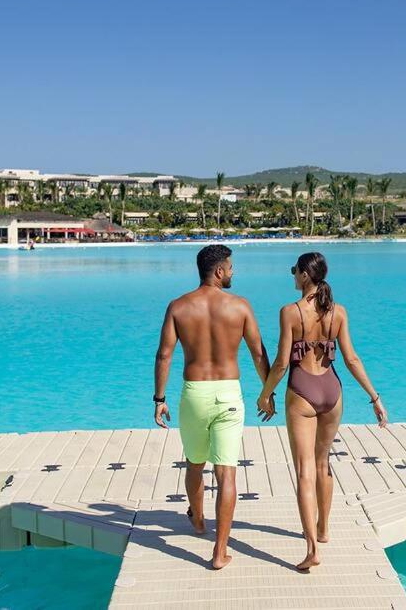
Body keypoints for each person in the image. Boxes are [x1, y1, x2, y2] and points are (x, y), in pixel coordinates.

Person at [257, 251, 388, 571]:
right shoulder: (338, 312)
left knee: (304, 471)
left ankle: (312, 549)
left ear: (305, 275)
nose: (293, 275)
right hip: (333, 391)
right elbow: (352, 359)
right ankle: (324, 529)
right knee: (322, 463)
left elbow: (282, 363)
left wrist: (265, 394)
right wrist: (374, 397)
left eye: (294, 270)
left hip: (302, 391)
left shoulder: (290, 312)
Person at [153, 244, 270, 569]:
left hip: (195, 394)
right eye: (230, 267)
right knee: (226, 471)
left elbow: (164, 354)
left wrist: (159, 399)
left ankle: (199, 519)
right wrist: (268, 391)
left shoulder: (178, 306)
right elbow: (258, 353)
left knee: (194, 463)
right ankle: (220, 552)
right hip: (228, 394)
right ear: (219, 271)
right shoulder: (240, 306)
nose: (232, 272)